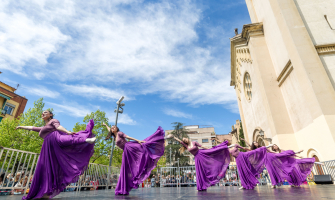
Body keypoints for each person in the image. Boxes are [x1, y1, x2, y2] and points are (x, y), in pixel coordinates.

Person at [17, 110, 96, 199]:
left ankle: (85, 140)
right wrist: (20, 126)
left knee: (67, 139)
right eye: (42, 112)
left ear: (51, 114)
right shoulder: (44, 127)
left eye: (46, 112)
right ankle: (45, 192)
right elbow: (32, 127)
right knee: (46, 168)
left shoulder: (53, 121)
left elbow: (58, 127)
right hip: (48, 147)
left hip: (54, 138)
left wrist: (67, 131)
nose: (43, 113)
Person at [103, 123, 165, 195]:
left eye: (114, 127)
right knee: (125, 170)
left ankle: (157, 140)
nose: (113, 128)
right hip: (125, 152)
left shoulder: (119, 133)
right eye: (112, 128)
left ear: (117, 129)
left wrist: (138, 140)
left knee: (144, 146)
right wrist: (106, 125)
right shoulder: (114, 136)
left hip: (129, 147)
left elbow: (128, 137)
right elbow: (109, 130)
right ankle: (123, 189)